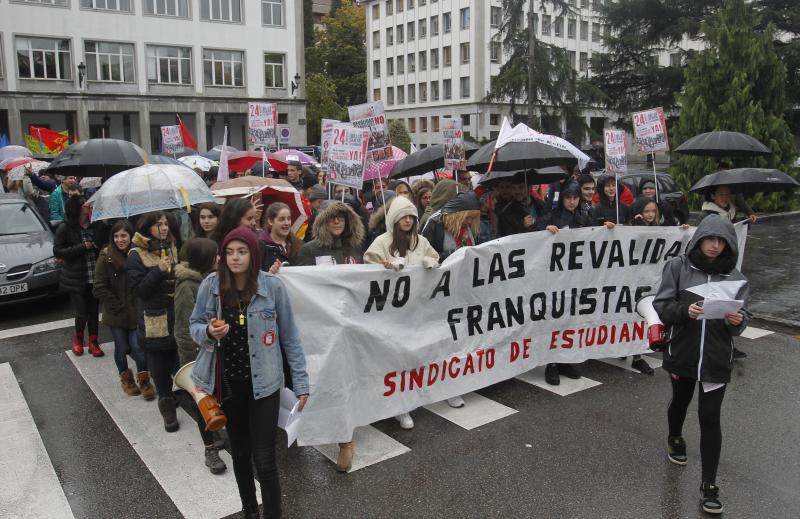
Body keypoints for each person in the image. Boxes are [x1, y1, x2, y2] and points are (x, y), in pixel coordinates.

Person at [189, 227, 309, 519]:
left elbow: (290, 338)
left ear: (253, 254)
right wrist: (208, 331)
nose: (235, 258)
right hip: (229, 386)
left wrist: (302, 383)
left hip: (265, 386)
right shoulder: (211, 286)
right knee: (240, 455)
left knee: (265, 460)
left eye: (242, 252)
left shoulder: (273, 287)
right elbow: (193, 326)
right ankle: (249, 511)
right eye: (229, 252)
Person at [652, 214, 750, 515]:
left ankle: (709, 485)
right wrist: (685, 311)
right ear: (699, 239)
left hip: (717, 359)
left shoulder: (735, 277)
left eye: (721, 241)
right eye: (710, 239)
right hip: (683, 352)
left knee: (710, 417)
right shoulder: (678, 267)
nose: (715, 245)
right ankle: (675, 437)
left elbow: (744, 320)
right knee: (680, 403)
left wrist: (738, 321)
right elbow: (661, 307)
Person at [365, 195, 439, 430]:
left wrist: (430, 261)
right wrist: (384, 268)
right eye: (403, 217)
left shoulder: (422, 241)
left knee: (415, 355)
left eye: (411, 216)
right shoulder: (381, 243)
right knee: (394, 359)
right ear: (394, 220)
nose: (408, 220)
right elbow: (365, 269)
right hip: (391, 314)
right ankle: (399, 407)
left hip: (417, 310)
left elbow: (436, 259)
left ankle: (414, 396)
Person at [173, 237, 227, 475]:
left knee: (216, 401)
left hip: (212, 349)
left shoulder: (210, 280)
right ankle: (210, 448)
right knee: (201, 403)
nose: (220, 258)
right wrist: (195, 359)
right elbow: (185, 328)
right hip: (198, 354)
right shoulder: (188, 286)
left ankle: (216, 434)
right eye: (215, 255)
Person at [127, 211, 181, 433]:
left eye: (166, 223)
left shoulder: (171, 246)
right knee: (159, 370)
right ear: (147, 226)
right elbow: (139, 290)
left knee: (180, 365)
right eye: (159, 224)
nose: (164, 227)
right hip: (154, 322)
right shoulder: (135, 255)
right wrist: (158, 271)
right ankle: (167, 408)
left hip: (176, 316)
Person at [93, 219, 154, 398]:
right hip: (116, 312)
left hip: (136, 311)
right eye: (117, 236)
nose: (120, 240)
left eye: (124, 236)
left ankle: (144, 379)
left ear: (131, 236)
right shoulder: (106, 256)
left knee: (138, 347)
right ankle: (126, 378)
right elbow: (99, 286)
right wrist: (116, 305)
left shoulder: (138, 254)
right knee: (121, 347)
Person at [536, 183, 586, 385]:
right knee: (554, 320)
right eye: (568, 198)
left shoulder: (583, 218)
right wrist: (543, 229)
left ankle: (565, 361)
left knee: (570, 320)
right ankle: (552, 364)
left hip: (576, 278)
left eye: (575, 198)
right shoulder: (552, 217)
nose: (572, 202)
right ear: (562, 199)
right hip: (554, 280)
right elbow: (534, 235)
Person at [53, 188, 104, 357]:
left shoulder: (96, 225)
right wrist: (83, 246)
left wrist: (98, 246)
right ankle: (78, 339)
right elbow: (58, 251)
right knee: (82, 312)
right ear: (76, 209)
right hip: (76, 278)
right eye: (84, 205)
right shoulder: (65, 228)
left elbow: (104, 244)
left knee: (94, 312)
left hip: (94, 276)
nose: (88, 206)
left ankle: (94, 341)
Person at [297, 201, 365, 266]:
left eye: (340, 217)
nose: (336, 221)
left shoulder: (355, 247)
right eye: (331, 217)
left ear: (347, 221)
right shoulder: (309, 250)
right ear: (323, 222)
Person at [422, 191, 481, 260]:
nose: (469, 221)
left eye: (472, 218)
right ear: (457, 215)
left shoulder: (468, 226)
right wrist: (453, 254)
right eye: (467, 217)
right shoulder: (434, 223)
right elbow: (426, 256)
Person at [259, 202, 303, 269]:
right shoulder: (261, 246)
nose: (287, 223)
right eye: (281, 219)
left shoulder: (298, 244)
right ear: (270, 221)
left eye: (289, 219)